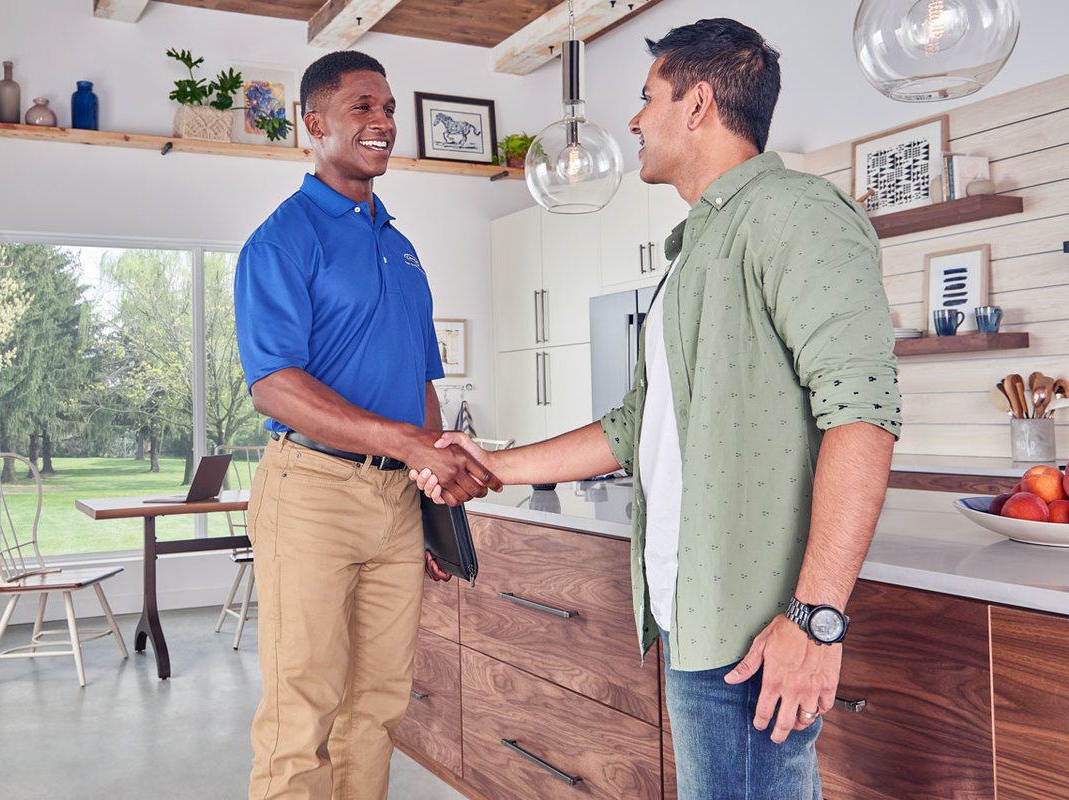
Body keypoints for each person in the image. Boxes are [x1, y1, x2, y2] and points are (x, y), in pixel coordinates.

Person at [413, 18, 901, 799]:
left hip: (758, 625)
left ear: (699, 103)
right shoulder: (697, 249)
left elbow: (863, 415)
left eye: (648, 99)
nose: (635, 121)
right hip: (696, 613)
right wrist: (493, 466)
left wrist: (815, 620)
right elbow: (637, 426)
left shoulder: (795, 213)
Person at [233, 50, 500, 800]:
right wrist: (409, 446)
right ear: (313, 124)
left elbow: (420, 385)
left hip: (393, 505)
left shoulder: (400, 246)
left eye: (388, 108)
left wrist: (429, 498)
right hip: (311, 493)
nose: (382, 121)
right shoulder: (281, 241)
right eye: (362, 107)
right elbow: (275, 386)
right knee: (302, 715)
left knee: (378, 708)